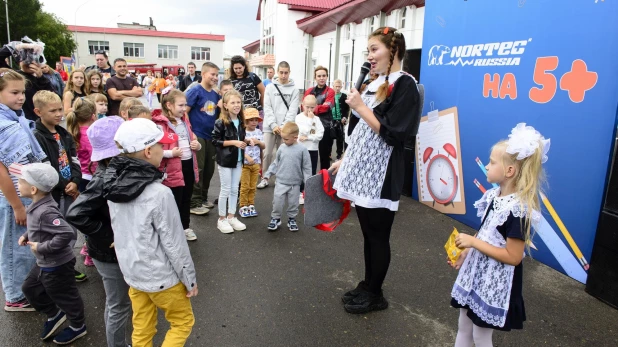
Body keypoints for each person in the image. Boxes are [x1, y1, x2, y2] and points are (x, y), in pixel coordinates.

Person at [331, 27, 421, 314]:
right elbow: (360, 132)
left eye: (374, 49)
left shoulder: (405, 85)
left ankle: (376, 294)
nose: (369, 56)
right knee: (368, 233)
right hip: (363, 169)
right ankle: (368, 285)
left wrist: (360, 106)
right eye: (368, 51)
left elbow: (396, 134)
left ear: (393, 51)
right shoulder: (376, 83)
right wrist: (346, 158)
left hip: (382, 174)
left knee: (379, 235)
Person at [449, 124, 549, 346]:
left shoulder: (519, 210)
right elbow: (487, 233)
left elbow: (513, 257)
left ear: (509, 171)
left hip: (495, 281)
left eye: (492, 162)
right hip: (478, 274)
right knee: (463, 326)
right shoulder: (495, 196)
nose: (487, 165)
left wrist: (474, 242)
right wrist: (467, 250)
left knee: (481, 335)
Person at [102, 118, 197, 347]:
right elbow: (174, 242)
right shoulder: (159, 193)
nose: (163, 150)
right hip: (163, 278)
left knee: (142, 327)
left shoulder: (113, 188)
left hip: (133, 275)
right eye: (160, 147)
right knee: (182, 322)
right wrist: (189, 279)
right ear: (147, 151)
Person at [66, 116, 131, 347]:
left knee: (123, 303)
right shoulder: (104, 178)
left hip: (114, 251)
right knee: (118, 305)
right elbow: (75, 214)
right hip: (107, 254)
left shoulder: (115, 170)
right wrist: (109, 235)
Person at [14, 163, 87, 344]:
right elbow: (37, 228)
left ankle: (78, 326)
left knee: (65, 295)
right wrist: (26, 235)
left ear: (33, 189)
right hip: (44, 261)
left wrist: (42, 247)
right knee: (29, 288)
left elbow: (66, 233)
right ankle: (54, 313)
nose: (17, 183)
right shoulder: (36, 204)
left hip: (57, 264)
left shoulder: (46, 211)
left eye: (21, 181)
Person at [0, 69, 47, 311]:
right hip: (13, 195)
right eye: (14, 92)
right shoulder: (2, 123)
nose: (20, 97)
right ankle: (15, 296)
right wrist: (16, 205)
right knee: (14, 245)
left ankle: (28, 288)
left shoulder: (14, 118)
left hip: (24, 191)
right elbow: (2, 171)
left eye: (22, 92)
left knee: (26, 242)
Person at [152, 90, 201, 241]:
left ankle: (185, 227)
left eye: (185, 105)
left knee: (186, 199)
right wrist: (170, 154)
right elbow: (156, 149)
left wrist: (197, 145)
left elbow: (192, 138)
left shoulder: (184, 120)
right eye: (180, 105)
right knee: (173, 202)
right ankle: (171, 232)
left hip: (188, 165)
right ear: (169, 105)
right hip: (172, 169)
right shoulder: (160, 124)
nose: (184, 108)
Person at [186, 62, 221, 215]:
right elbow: (184, 112)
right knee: (198, 169)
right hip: (198, 135)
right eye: (212, 74)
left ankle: (203, 198)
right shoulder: (195, 91)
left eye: (216, 74)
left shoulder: (215, 94)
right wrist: (190, 133)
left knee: (209, 169)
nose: (215, 77)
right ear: (204, 74)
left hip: (211, 136)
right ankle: (194, 202)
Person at [258, 61, 299, 189]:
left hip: (285, 128)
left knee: (283, 154)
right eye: (281, 72)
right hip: (270, 126)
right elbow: (267, 107)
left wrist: (283, 126)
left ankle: (280, 179)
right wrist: (273, 125)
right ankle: (265, 177)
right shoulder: (270, 87)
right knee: (267, 154)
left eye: (286, 73)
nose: (283, 75)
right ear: (277, 72)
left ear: (289, 73)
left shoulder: (295, 89)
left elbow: (292, 110)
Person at [265, 122, 312, 232]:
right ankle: (275, 218)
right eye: (283, 138)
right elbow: (276, 163)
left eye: (286, 139)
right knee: (277, 202)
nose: (283, 141)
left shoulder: (302, 150)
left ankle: (292, 219)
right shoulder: (282, 148)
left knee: (293, 203)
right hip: (281, 181)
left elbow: (306, 167)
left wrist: (308, 182)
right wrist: (268, 174)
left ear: (295, 137)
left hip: (295, 183)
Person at [212, 89, 247, 234]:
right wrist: (234, 142)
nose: (236, 105)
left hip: (238, 160)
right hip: (225, 161)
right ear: (225, 105)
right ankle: (221, 219)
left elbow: (241, 140)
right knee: (225, 190)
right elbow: (215, 141)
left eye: (238, 102)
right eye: (233, 102)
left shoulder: (241, 121)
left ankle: (231, 216)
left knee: (234, 190)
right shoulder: (221, 122)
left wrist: (246, 141)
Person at [0, 45, 54, 121]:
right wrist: (19, 46)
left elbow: (53, 98)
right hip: (19, 120)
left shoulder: (42, 79)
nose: (31, 63)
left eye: (34, 59)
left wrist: (41, 78)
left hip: (39, 121)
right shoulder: (13, 76)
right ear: (19, 61)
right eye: (26, 59)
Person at [303, 66, 335, 171]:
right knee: (308, 155)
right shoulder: (308, 91)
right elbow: (303, 106)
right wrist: (313, 109)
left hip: (325, 127)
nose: (321, 78)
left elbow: (327, 107)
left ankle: (324, 181)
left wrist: (310, 108)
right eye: (319, 76)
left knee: (324, 157)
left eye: (324, 76)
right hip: (309, 125)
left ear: (327, 77)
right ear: (315, 78)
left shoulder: (330, 91)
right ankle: (308, 181)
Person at [295, 94, 324, 204]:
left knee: (310, 171)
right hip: (301, 148)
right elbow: (301, 131)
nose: (309, 110)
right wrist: (310, 124)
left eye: (312, 107)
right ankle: (298, 192)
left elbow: (319, 135)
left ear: (316, 106)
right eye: (307, 107)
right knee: (300, 170)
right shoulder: (298, 118)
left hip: (313, 149)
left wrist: (308, 137)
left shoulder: (317, 119)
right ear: (302, 105)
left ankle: (307, 192)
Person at [65, 98, 97, 192]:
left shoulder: (73, 131)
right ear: (93, 116)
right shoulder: (89, 135)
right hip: (89, 177)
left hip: (79, 175)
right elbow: (94, 158)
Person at [238, 108, 264, 218]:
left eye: (256, 120)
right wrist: (247, 156)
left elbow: (263, 147)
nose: (254, 122)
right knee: (245, 186)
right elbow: (238, 148)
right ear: (245, 121)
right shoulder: (242, 132)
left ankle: (251, 204)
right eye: (251, 120)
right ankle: (243, 205)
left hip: (256, 163)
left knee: (253, 186)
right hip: (245, 164)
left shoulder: (259, 132)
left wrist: (258, 142)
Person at [332, 79, 349, 158]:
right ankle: (328, 154)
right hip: (331, 120)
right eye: (336, 86)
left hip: (340, 120)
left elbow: (347, 109)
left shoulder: (344, 96)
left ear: (341, 87)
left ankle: (339, 154)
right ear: (333, 86)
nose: (337, 88)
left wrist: (344, 117)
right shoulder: (330, 95)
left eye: (339, 86)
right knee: (330, 137)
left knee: (340, 138)